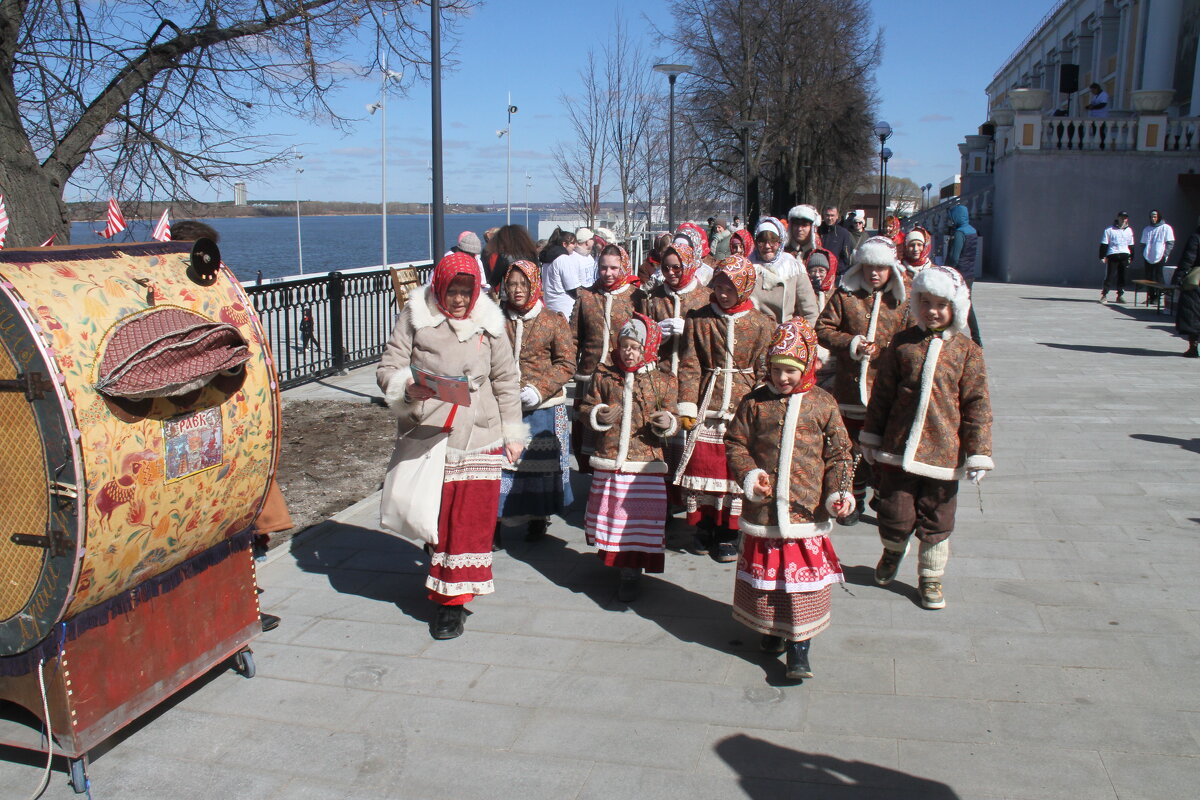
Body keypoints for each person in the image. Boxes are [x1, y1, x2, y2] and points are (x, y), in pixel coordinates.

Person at [376, 252, 526, 640]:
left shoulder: (490, 323)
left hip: (479, 434)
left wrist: (512, 433)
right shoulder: (415, 316)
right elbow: (388, 366)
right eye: (453, 291)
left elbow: (506, 380)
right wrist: (406, 387)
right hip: (431, 429)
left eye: (466, 291)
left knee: (469, 522)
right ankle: (440, 570)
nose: (459, 300)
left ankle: (450, 605)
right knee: (436, 518)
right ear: (439, 287)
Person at [724, 317, 854, 680]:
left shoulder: (823, 404)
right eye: (777, 370)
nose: (783, 378)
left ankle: (800, 650)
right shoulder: (755, 402)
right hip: (764, 512)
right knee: (770, 582)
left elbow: (840, 453)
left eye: (791, 371)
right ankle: (774, 629)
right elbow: (735, 442)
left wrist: (839, 493)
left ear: (808, 365)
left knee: (800, 586)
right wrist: (751, 475)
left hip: (805, 511)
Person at [859, 266, 993, 610]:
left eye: (941, 304)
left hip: (944, 454)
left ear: (956, 308)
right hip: (898, 448)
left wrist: (978, 452)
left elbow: (977, 405)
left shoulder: (967, 352)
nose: (933, 311)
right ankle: (892, 550)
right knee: (894, 511)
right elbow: (883, 394)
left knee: (938, 518)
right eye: (926, 302)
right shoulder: (902, 344)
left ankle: (930, 577)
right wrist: (871, 437)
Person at [675, 256, 775, 561]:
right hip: (709, 400)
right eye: (718, 285)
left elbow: (765, 368)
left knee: (735, 471)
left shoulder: (761, 323)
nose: (722, 292)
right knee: (704, 467)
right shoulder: (700, 319)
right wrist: (687, 404)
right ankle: (704, 527)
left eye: (729, 286)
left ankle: (729, 533)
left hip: (742, 406)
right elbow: (690, 364)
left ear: (744, 287)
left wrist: (760, 403)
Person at [579, 313, 679, 601]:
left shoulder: (662, 380)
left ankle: (632, 570)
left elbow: (672, 414)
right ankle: (617, 562)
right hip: (611, 459)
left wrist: (667, 422)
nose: (628, 351)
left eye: (635, 346)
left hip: (644, 463)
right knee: (614, 519)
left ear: (648, 348)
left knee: (638, 520)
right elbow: (587, 407)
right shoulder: (605, 375)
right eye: (624, 345)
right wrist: (598, 414)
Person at [815, 236, 909, 524]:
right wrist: (851, 343)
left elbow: (914, 338)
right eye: (869, 266)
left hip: (887, 391)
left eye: (881, 267)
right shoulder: (846, 296)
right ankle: (851, 499)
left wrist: (893, 355)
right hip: (850, 389)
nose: (874, 273)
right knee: (850, 446)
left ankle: (882, 495)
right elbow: (823, 328)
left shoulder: (902, 301)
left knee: (883, 447)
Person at [496, 260, 577, 545]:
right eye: (512, 284)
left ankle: (537, 518)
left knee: (538, 467)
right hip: (503, 406)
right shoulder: (496, 318)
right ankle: (496, 522)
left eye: (523, 284)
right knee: (500, 464)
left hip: (541, 407)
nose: (517, 290)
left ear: (534, 285)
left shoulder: (552, 320)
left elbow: (566, 363)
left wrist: (539, 389)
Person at [570, 244, 640, 468]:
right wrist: (570, 367)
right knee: (588, 433)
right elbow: (573, 338)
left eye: (614, 268)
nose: (608, 273)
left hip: (621, 378)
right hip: (589, 377)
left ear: (624, 267)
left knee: (616, 433)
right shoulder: (587, 296)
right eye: (603, 268)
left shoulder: (636, 297)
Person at [638, 242, 711, 376]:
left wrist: (691, 330)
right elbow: (638, 339)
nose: (671, 273)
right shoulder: (653, 298)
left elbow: (715, 341)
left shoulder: (706, 298)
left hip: (695, 376)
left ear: (688, 266)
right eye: (665, 268)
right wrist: (655, 332)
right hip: (661, 374)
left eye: (676, 268)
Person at [749, 216, 820, 324]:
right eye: (762, 241)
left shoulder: (792, 267)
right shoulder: (747, 267)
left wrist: (801, 336)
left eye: (773, 240)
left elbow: (810, 312)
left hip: (785, 334)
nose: (767, 246)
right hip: (755, 332)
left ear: (780, 242)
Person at [944, 206, 983, 346]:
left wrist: (946, 269)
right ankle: (976, 338)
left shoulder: (960, 233)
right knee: (967, 303)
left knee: (958, 304)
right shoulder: (972, 231)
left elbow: (954, 257)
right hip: (969, 273)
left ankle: (970, 338)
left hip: (959, 273)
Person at [542, 230, 583, 317]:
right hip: (565, 307)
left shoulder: (546, 260)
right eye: (572, 243)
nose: (575, 246)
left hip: (551, 305)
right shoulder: (563, 258)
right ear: (564, 244)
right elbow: (572, 287)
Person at [1174, 217, 1200, 357]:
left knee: (1193, 313)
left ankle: (1194, 347)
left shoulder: (1196, 237)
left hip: (1196, 281)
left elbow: (1188, 259)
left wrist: (1179, 277)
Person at [484, 224, 539, 289]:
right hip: (529, 291)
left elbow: (494, 280)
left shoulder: (505, 257)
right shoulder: (532, 255)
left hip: (510, 293)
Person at [1099, 211, 1135, 304]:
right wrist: (1102, 256)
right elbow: (1104, 244)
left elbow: (1131, 245)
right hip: (1113, 255)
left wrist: (1131, 256)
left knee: (1122, 276)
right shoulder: (1109, 230)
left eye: (1125, 218)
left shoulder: (1129, 230)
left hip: (1124, 255)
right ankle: (1104, 295)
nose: (1124, 219)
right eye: (1122, 217)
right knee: (1109, 276)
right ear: (1118, 218)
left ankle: (1120, 295)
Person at [1140, 210, 1175, 302]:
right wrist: (1144, 253)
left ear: (1159, 217)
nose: (1153, 218)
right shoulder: (1147, 229)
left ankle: (1158, 297)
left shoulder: (1166, 228)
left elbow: (1170, 242)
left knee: (1158, 276)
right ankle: (1151, 296)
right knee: (1149, 277)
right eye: (1151, 217)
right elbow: (1143, 243)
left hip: (1160, 256)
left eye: (1155, 217)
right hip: (1148, 257)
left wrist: (1165, 254)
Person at [816, 206, 853, 278]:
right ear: (823, 215)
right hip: (817, 272)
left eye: (832, 215)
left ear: (837, 216)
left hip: (835, 274)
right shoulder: (816, 231)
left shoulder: (843, 233)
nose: (829, 218)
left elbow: (846, 257)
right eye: (827, 215)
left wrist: (835, 270)